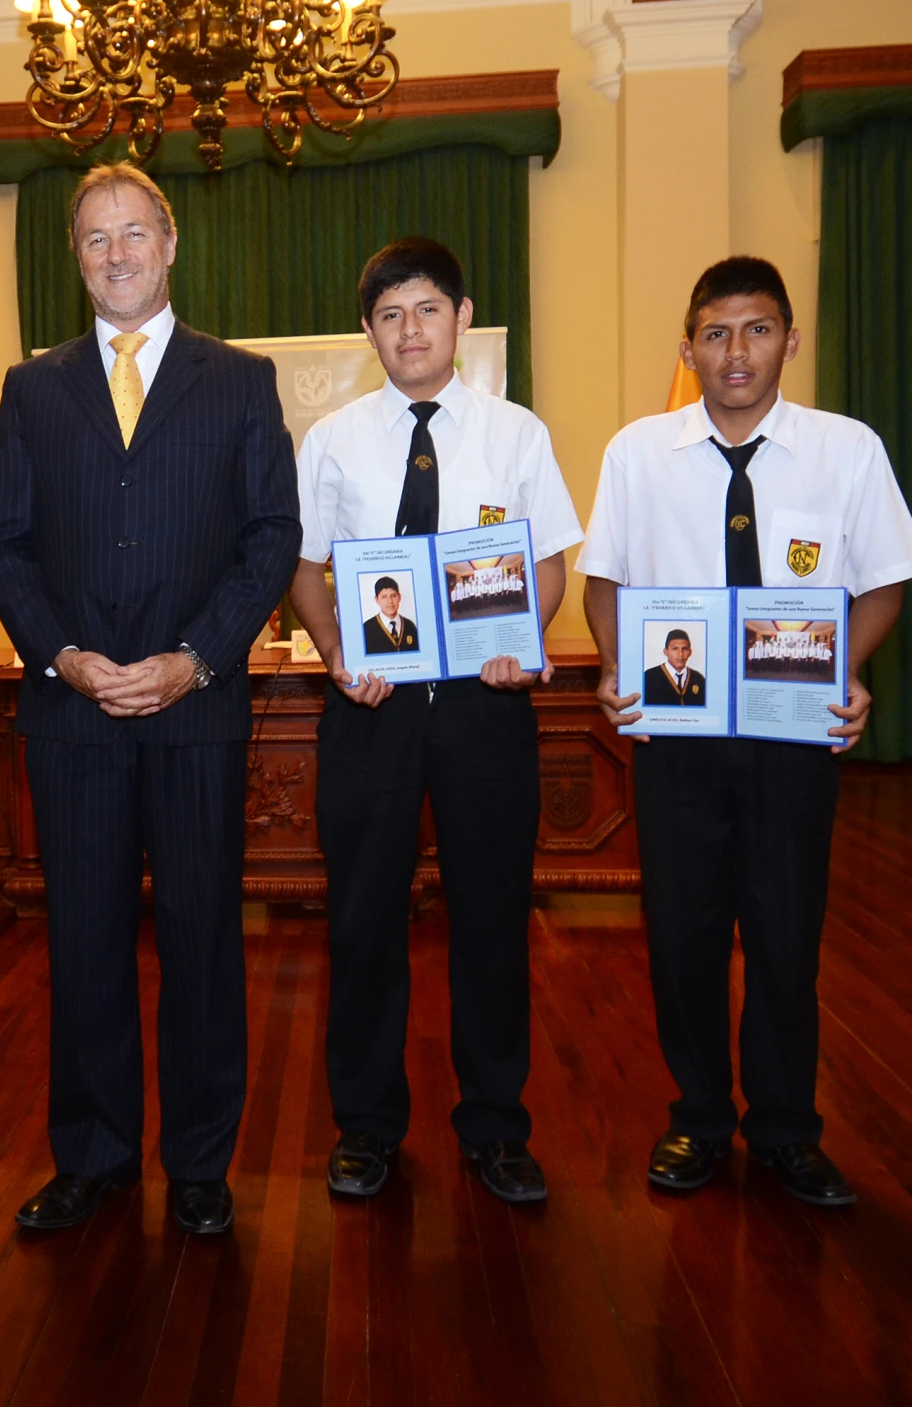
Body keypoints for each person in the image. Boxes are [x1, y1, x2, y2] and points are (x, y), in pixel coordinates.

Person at [0, 162, 300, 1237]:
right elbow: (5, 547)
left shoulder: (239, 381)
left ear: (169, 244)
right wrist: (61, 655)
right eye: (92, 239)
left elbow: (269, 540)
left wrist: (194, 659)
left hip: (196, 711)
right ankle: (93, 1157)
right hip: (69, 713)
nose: (114, 255)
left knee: (204, 937)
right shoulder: (32, 389)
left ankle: (200, 1164)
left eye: (132, 234)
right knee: (82, 942)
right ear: (73, 257)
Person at [578, 255, 912, 1208]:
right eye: (716, 333)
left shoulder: (845, 449)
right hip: (675, 737)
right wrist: (615, 669)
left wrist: (845, 671)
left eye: (757, 329)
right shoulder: (635, 451)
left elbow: (885, 579)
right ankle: (695, 1116)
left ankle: (784, 1128)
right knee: (681, 936)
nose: (735, 352)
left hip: (791, 735)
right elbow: (603, 579)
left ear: (789, 339)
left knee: (784, 936)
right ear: (686, 346)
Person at [286, 236, 583, 1204]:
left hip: (482, 708)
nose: (407, 329)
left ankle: (495, 1125)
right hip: (369, 713)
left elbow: (545, 565)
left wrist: (521, 637)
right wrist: (335, 653)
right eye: (386, 314)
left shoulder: (516, 434)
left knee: (491, 920)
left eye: (424, 309)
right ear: (366, 330)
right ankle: (365, 1125)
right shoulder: (331, 441)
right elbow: (305, 568)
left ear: (460, 318)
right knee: (363, 921)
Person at [642, 628, 705, 706]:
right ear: (666, 652)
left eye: (684, 649)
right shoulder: (649, 677)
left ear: (690, 652)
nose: (680, 654)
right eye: (675, 649)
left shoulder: (698, 679)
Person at [361, 576, 419, 654]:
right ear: (377, 600)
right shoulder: (366, 629)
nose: (390, 601)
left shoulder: (410, 626)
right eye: (384, 597)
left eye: (393, 596)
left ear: (400, 597)